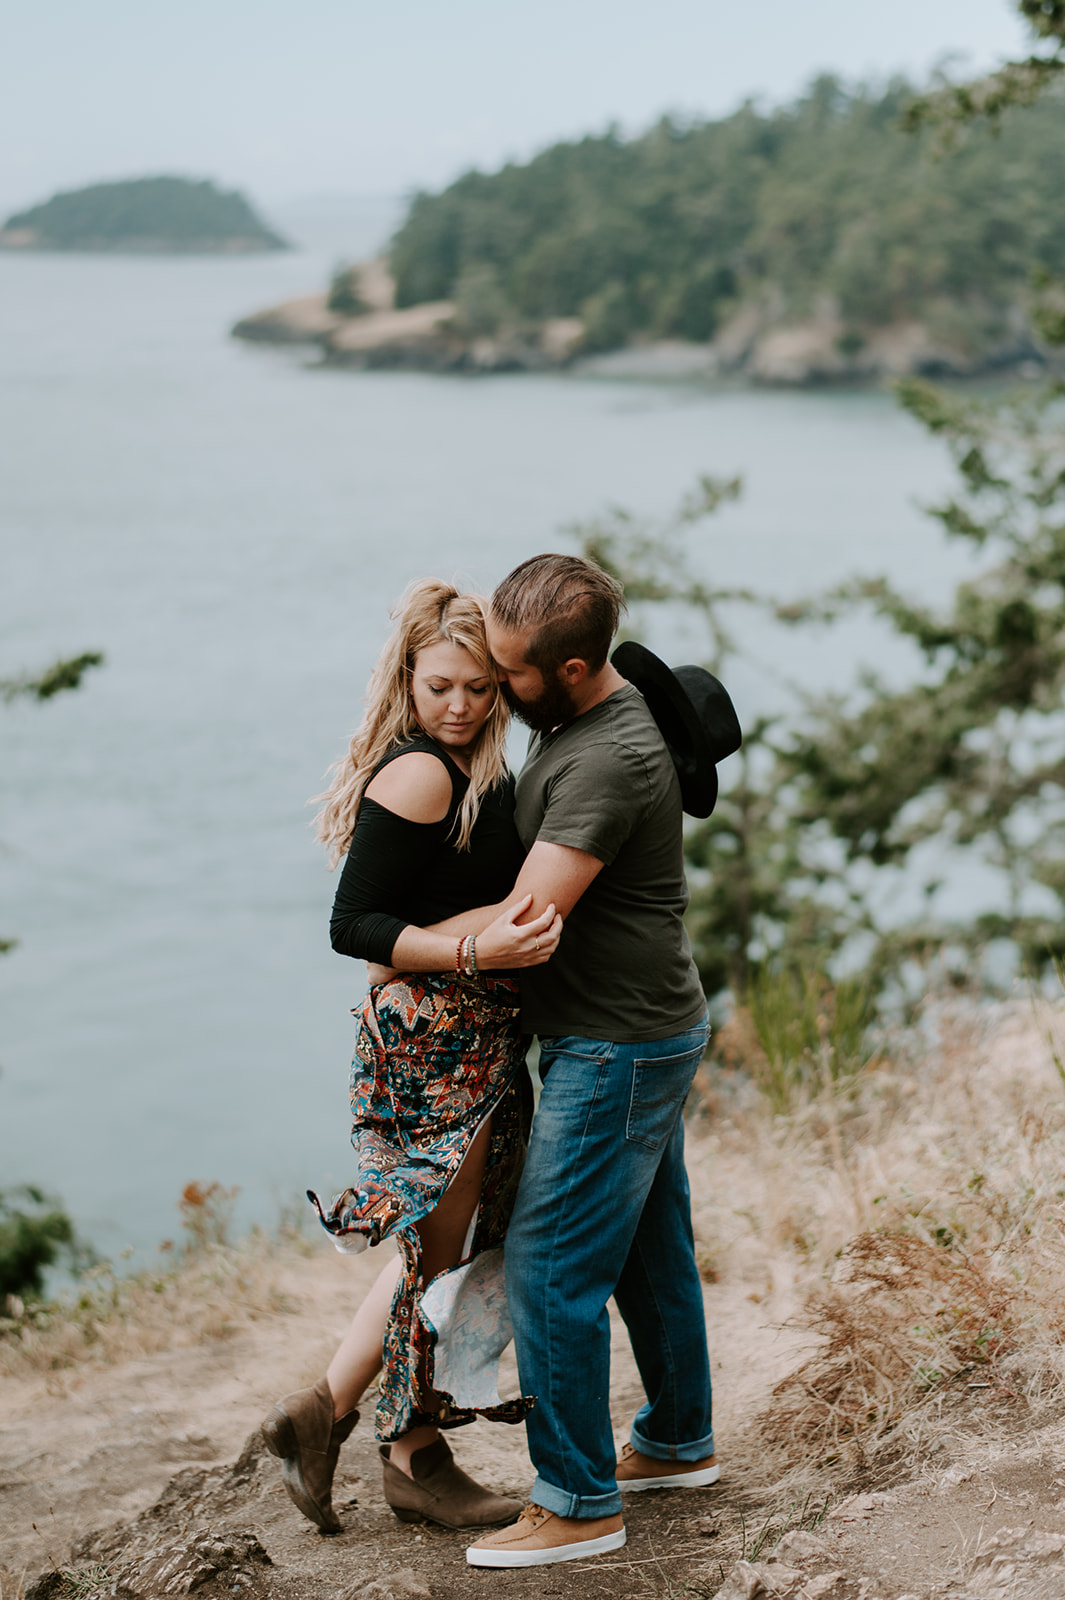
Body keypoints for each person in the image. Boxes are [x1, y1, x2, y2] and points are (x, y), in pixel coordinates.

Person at [261, 579, 561, 1535]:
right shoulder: (424, 771)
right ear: (407, 678)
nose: (462, 706)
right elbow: (359, 928)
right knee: (437, 1251)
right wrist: (478, 942)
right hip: (431, 1041)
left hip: (461, 1035)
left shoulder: (471, 769)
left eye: (480, 688)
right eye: (440, 686)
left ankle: (340, 1419)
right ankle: (403, 1451)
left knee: (441, 1246)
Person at [463, 553, 719, 1569]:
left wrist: (392, 937)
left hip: (617, 1045)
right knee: (651, 1250)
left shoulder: (609, 757)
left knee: (552, 1263)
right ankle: (676, 1438)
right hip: (639, 1028)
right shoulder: (578, 719)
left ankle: (576, 1500)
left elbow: (529, 918)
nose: (493, 679)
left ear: (570, 671)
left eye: (510, 670)